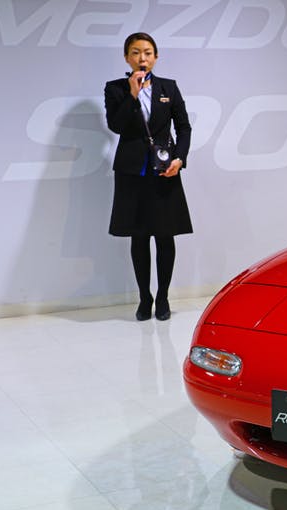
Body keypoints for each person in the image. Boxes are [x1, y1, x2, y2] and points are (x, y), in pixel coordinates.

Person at [105, 32, 192, 321]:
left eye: (147, 52)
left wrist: (179, 158)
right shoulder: (116, 89)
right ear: (126, 57)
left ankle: (163, 297)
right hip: (132, 172)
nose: (142, 58)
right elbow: (116, 125)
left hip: (164, 171)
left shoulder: (169, 87)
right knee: (139, 236)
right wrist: (132, 93)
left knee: (165, 235)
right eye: (135, 52)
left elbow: (184, 127)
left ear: (155, 57)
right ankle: (145, 298)